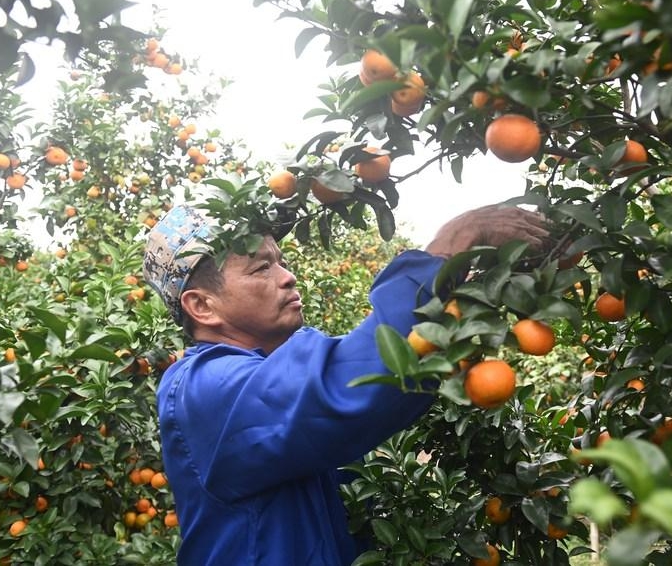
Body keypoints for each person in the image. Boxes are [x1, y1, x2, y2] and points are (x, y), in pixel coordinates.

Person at [142, 202, 550, 565]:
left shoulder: (266, 375)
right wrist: (452, 244)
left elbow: (384, 373)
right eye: (261, 267)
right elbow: (342, 385)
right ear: (201, 305)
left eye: (280, 261)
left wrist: (478, 285)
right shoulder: (201, 387)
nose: (287, 277)